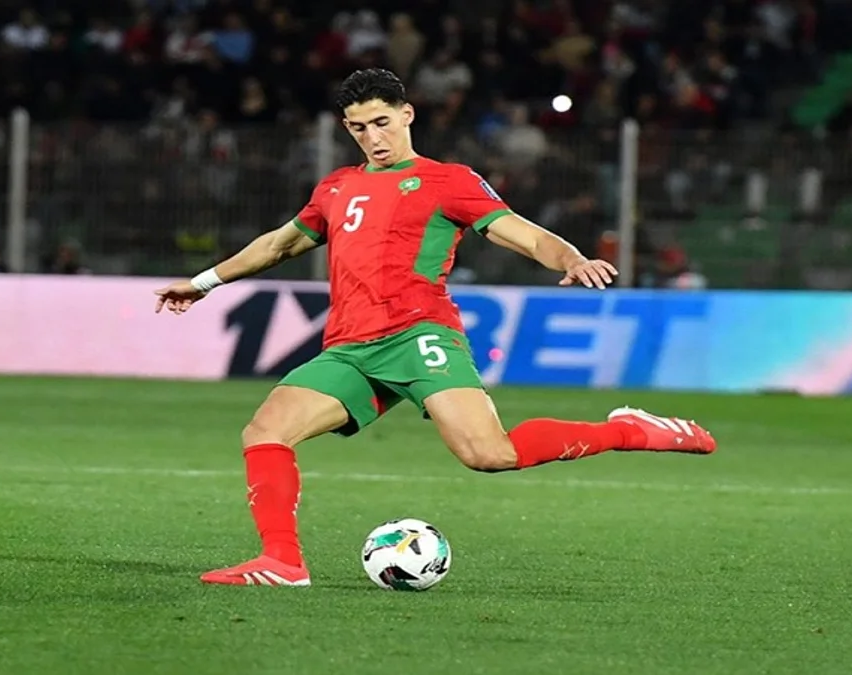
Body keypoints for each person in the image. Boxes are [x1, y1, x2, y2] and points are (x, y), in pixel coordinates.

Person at [153, 69, 716, 587]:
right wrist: (203, 282)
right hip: (349, 348)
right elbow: (279, 244)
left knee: (488, 454)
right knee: (265, 432)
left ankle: (627, 430)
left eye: (381, 122)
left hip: (419, 335)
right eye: (358, 128)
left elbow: (522, 233)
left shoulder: (447, 181)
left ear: (407, 115)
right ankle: (282, 561)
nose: (373, 137)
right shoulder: (336, 187)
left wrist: (570, 258)